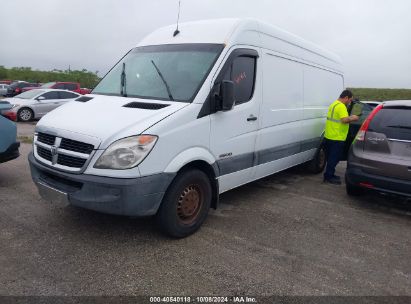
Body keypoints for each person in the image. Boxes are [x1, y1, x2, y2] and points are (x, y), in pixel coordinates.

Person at [323, 89, 359, 185]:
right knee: (334, 158)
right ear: (346, 97)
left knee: (331, 158)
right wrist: (354, 118)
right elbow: (344, 120)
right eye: (350, 100)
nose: (350, 102)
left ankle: (329, 174)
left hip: (329, 135)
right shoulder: (341, 106)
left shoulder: (333, 104)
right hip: (337, 137)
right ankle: (329, 176)